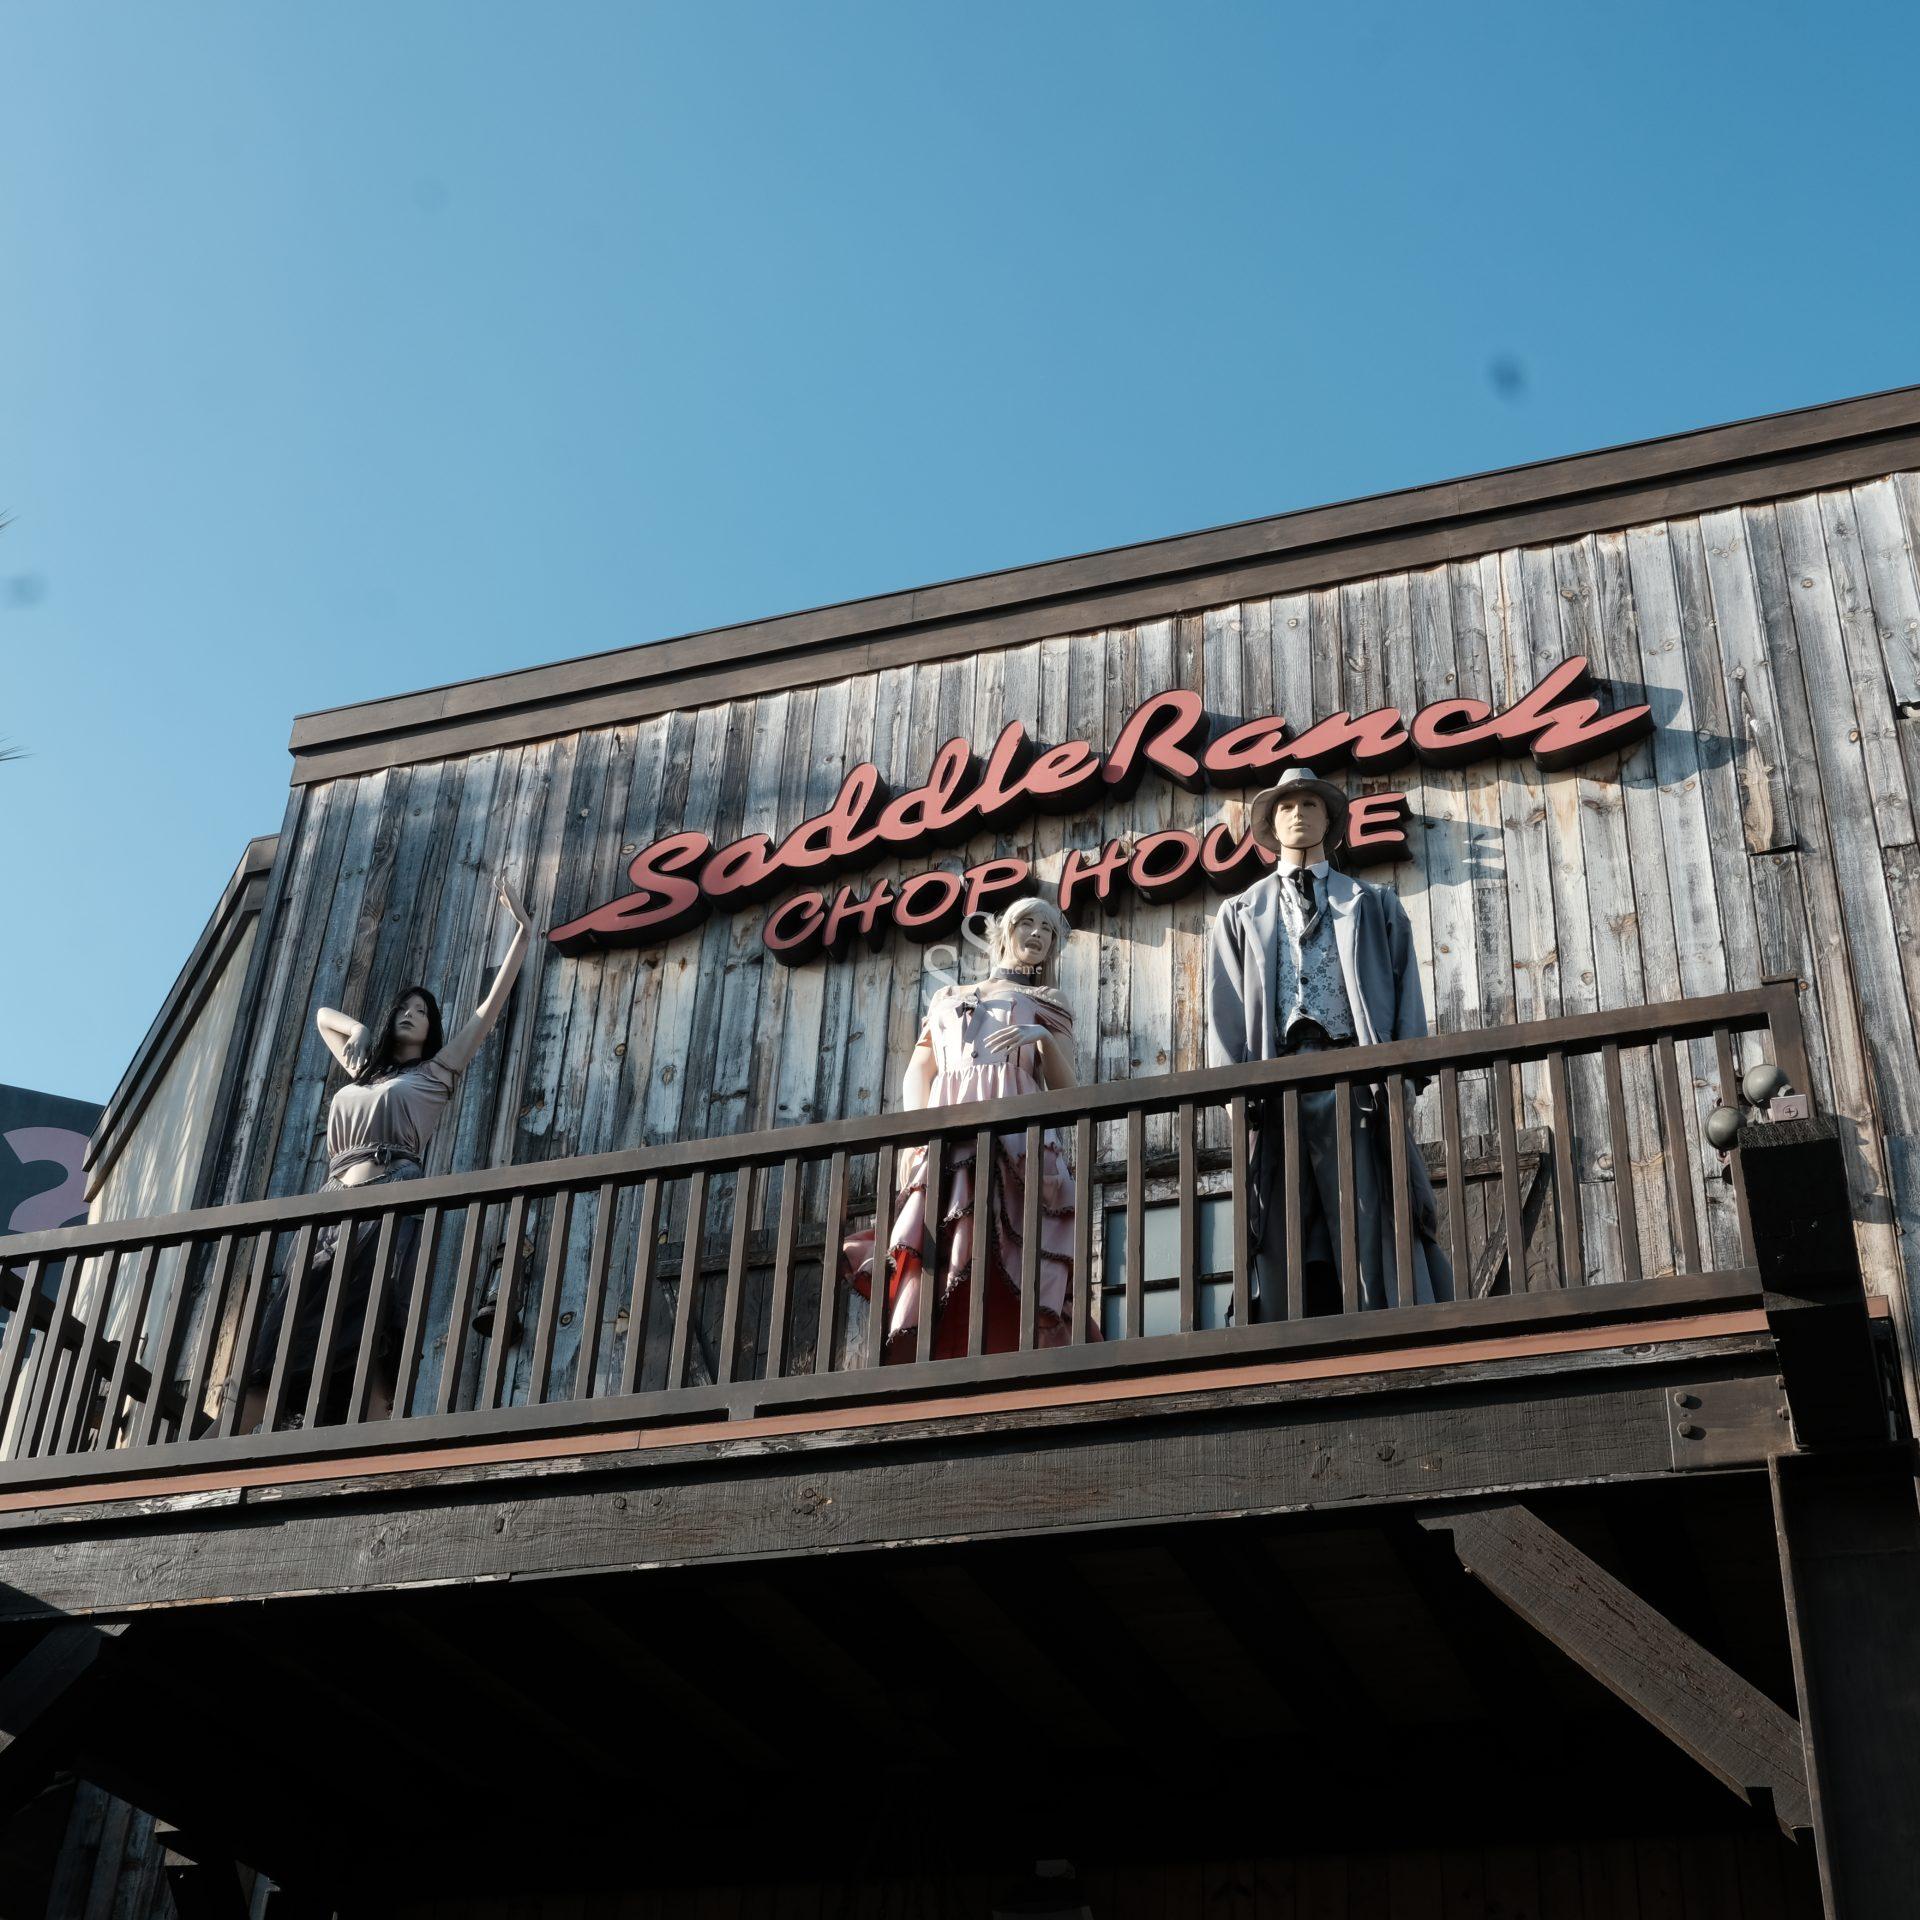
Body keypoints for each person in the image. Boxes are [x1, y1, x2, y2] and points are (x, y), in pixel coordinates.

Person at [240, 870, 535, 1428]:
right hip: (330, 1203)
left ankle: (369, 1423)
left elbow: (489, 1010)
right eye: (405, 1007)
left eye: (422, 1011)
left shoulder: (437, 1072)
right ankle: (256, 1423)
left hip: (389, 1201)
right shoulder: (362, 1076)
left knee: (370, 1320)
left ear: (434, 1030)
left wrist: (523, 929)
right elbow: (323, 1016)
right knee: (294, 1318)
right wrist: (364, 1040)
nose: (411, 1014)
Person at [1206, 767, 1452, 1317]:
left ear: (1329, 820)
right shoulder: (1239, 913)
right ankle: (1282, 1324)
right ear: (1269, 823)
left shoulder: (1373, 902)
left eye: (1311, 806)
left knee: (1368, 1202)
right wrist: (1233, 1089)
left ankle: (1379, 1316)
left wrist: (1406, 1071)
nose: (1299, 814)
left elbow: (1404, 985)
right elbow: (1224, 1010)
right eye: (1286, 807)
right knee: (1277, 1211)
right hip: (1274, 1080)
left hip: (1354, 1071)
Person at [846, 897, 1095, 1358]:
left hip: (1016, 1135)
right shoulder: (947, 996)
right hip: (949, 1126)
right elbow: (918, 1072)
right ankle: (945, 1345)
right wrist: (917, 1137)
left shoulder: (1046, 1000)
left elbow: (1068, 1089)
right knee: (946, 1235)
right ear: (1005, 930)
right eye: (1028, 924)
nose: (1038, 935)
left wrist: (1040, 1040)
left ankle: (1019, 1345)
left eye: (1049, 931)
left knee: (1013, 1238)